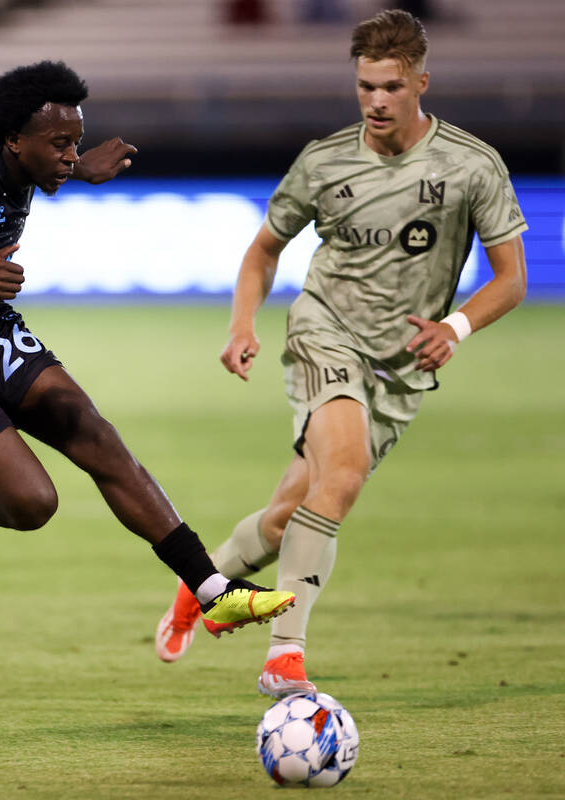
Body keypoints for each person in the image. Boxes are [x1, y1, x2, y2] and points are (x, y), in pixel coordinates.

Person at [154, 9, 527, 698]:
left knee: (289, 514)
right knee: (346, 472)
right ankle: (285, 656)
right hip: (324, 331)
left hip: (403, 367)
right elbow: (264, 250)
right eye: (364, 87)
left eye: (390, 86)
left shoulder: (472, 165)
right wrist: (243, 325)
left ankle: (200, 587)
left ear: (420, 81)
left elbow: (511, 280)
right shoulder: (325, 161)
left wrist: (456, 328)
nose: (376, 101)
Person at [0, 60, 295, 635]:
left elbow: (41, 168)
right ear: (14, 140)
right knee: (34, 504)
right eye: (60, 144)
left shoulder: (19, 152)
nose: (68, 154)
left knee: (93, 431)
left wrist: (77, 169)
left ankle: (212, 588)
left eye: (76, 143)